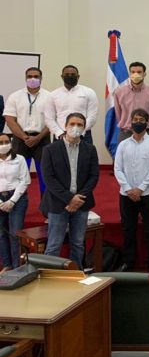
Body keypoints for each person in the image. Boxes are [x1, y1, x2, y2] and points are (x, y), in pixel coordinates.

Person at [40, 113, 99, 269]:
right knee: (54, 244)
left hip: (81, 203)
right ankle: (49, 277)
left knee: (78, 243)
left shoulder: (90, 149)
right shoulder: (50, 149)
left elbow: (93, 176)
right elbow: (49, 178)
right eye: (72, 124)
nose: (75, 127)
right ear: (65, 126)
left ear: (84, 128)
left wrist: (78, 199)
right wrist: (69, 199)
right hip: (58, 203)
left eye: (80, 125)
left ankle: (75, 275)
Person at [114, 109, 149, 274]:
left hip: (148, 193)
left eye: (141, 119)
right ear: (131, 122)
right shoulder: (123, 145)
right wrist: (129, 189)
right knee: (128, 229)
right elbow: (117, 169)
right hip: (126, 194)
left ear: (147, 123)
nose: (138, 122)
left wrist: (140, 188)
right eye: (135, 119)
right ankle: (129, 262)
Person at [3, 67, 51, 195]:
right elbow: (10, 120)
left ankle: (46, 204)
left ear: (41, 78)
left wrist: (38, 137)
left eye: (36, 76)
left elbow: (52, 120)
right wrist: (24, 137)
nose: (32, 79)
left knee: (45, 175)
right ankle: (18, 203)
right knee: (18, 175)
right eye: (29, 76)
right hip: (20, 140)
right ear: (25, 78)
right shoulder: (15, 96)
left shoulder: (49, 97)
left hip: (42, 139)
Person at [43, 65, 99, 144]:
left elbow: (92, 116)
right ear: (62, 77)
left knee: (85, 153)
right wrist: (59, 133)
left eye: (73, 75)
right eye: (67, 75)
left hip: (83, 135)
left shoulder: (89, 92)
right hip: (61, 135)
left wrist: (80, 131)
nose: (70, 76)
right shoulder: (53, 95)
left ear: (78, 77)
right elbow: (49, 118)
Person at [0, 134, 30, 271]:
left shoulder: (19, 159)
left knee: (15, 234)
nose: (4, 145)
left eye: (6, 142)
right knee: (1, 234)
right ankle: (7, 265)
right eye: (1, 142)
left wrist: (12, 201)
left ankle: (18, 267)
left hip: (17, 198)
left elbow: (25, 181)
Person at [113, 62, 149, 142]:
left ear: (144, 74)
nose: (136, 74)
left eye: (139, 72)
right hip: (126, 134)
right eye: (133, 72)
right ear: (129, 74)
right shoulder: (119, 93)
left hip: (147, 133)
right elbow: (118, 115)